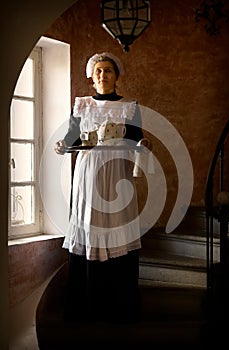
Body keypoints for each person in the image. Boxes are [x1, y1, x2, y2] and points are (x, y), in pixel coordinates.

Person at [54, 52, 150, 323]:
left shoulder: (129, 106)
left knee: (117, 226)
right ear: (91, 77)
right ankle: (84, 303)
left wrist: (142, 147)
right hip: (87, 174)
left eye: (108, 71)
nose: (102, 75)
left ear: (116, 76)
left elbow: (136, 139)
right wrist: (62, 146)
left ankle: (120, 304)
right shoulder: (82, 105)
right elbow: (71, 139)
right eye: (98, 71)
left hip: (117, 172)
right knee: (88, 225)